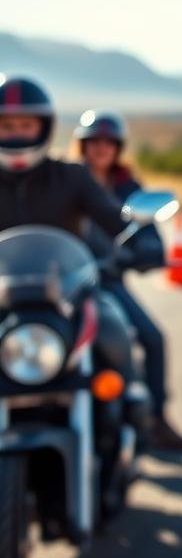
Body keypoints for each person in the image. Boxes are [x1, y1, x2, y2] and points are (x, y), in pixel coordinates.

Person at [0, 78, 149, 441]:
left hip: (68, 296)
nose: (17, 133)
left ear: (44, 127)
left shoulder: (71, 175)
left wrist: (141, 241)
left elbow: (113, 217)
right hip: (3, 301)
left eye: (26, 124)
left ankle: (130, 419)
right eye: (6, 125)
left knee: (116, 335)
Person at [75, 110, 182, 452]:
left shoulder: (128, 187)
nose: (101, 148)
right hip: (62, 284)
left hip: (107, 283)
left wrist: (147, 252)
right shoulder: (65, 181)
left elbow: (149, 234)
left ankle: (156, 418)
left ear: (118, 147)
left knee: (153, 339)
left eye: (108, 142)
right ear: (82, 145)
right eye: (94, 141)